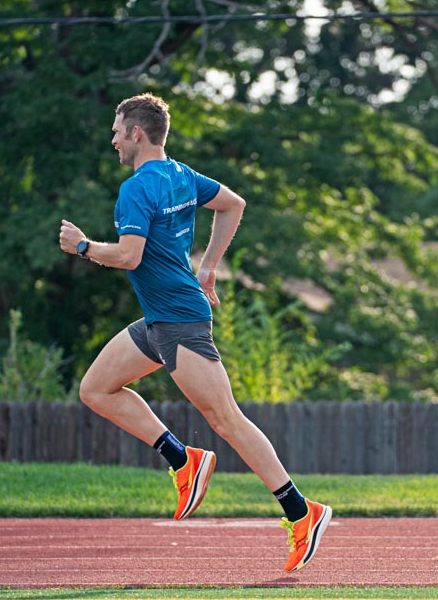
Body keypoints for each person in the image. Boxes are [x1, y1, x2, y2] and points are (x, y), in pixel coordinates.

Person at [58, 93, 331, 573]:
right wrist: (208, 269)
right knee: (96, 388)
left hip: (179, 320)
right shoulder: (182, 175)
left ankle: (301, 511)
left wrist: (82, 246)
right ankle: (183, 459)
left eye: (118, 130)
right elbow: (233, 204)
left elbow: (129, 256)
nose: (114, 138)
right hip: (161, 318)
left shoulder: (137, 187)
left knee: (227, 419)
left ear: (137, 133)